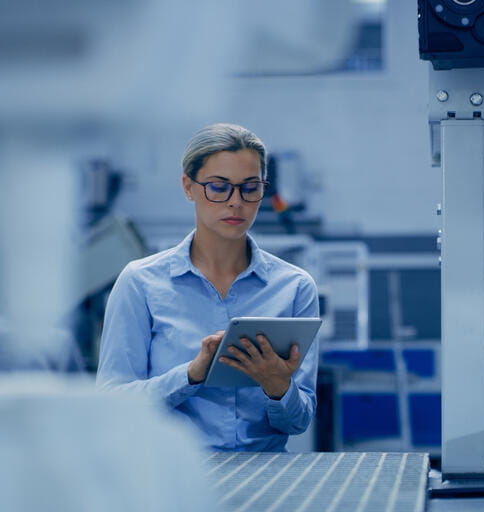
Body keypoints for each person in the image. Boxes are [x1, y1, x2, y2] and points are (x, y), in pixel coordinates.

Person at [97, 123, 319, 451]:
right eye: (218, 187)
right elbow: (113, 403)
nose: (235, 202)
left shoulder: (294, 287)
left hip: (267, 477)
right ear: (188, 187)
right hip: (174, 474)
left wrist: (278, 387)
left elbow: (299, 422)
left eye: (250, 187)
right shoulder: (141, 282)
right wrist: (190, 375)